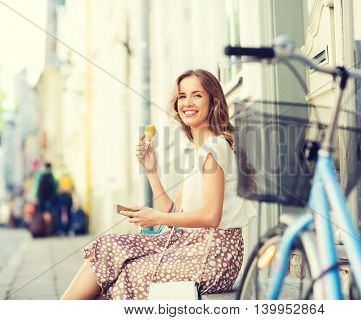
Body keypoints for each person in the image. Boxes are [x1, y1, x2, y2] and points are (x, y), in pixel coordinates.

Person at [61, 69, 255, 300]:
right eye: (182, 96)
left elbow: (211, 216)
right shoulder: (199, 152)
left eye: (197, 95)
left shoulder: (214, 148)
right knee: (108, 247)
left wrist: (156, 218)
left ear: (213, 101)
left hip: (213, 256)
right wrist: (151, 170)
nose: (187, 103)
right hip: (187, 245)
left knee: (131, 273)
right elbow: (174, 213)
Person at [36, 162, 59, 235]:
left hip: (42, 198)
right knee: (49, 213)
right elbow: (54, 186)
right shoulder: (51, 175)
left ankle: (45, 229)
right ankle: (49, 229)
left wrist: (37, 197)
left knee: (44, 213)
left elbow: (38, 188)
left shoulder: (41, 175)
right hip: (49, 198)